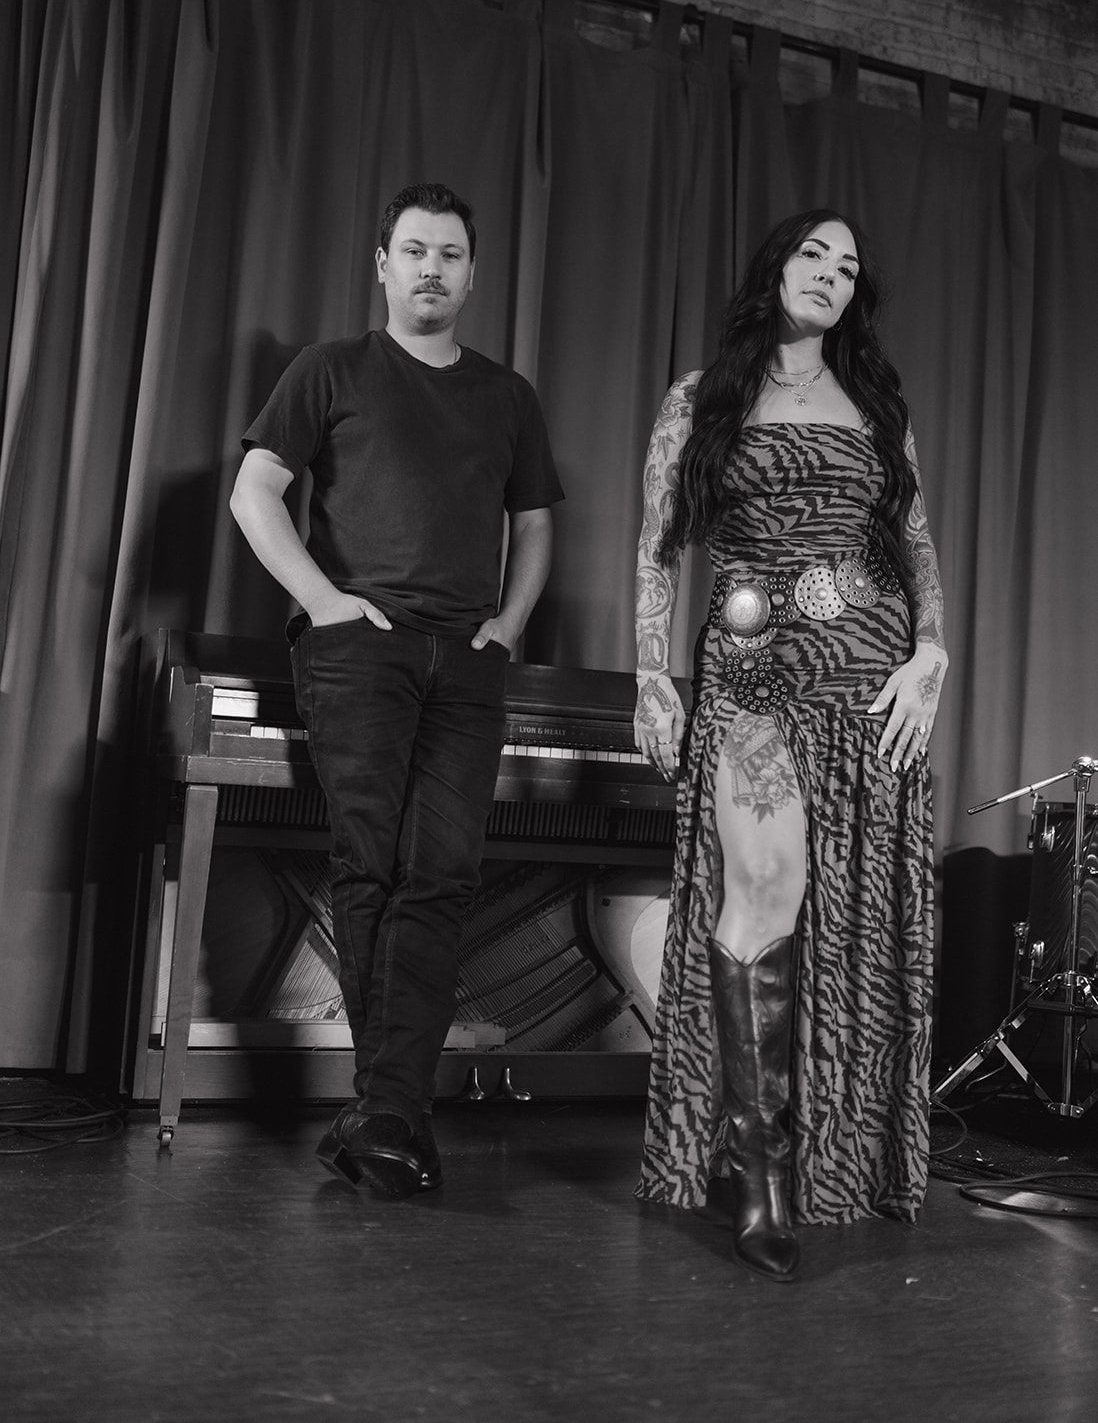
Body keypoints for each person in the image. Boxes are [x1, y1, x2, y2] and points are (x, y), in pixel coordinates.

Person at [230, 182, 563, 1199]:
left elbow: (535, 523)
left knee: (443, 873)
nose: (432, 268)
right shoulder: (330, 368)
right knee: (369, 865)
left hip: (465, 661)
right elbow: (255, 491)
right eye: (414, 250)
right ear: (383, 265)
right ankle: (394, 1112)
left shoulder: (507, 396)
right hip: (359, 652)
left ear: (472, 272)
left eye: (450, 254)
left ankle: (383, 1114)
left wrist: (508, 624)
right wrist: (324, 601)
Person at [632, 209, 946, 1281]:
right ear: (775, 268)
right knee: (762, 883)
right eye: (814, 254)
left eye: (849, 267)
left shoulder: (876, 406)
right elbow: (659, 546)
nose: (831, 275)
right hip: (754, 678)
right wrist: (651, 672)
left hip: (866, 688)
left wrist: (932, 652)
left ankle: (834, 1156)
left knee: (846, 910)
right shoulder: (701, 398)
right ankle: (760, 1176)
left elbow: (915, 546)